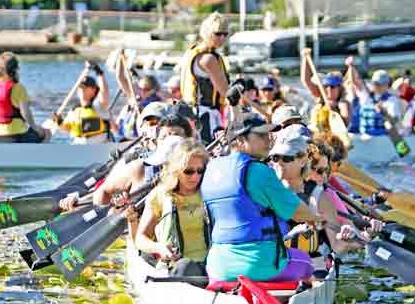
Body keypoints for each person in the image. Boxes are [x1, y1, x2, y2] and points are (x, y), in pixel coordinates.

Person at [201, 114, 319, 285]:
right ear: (240, 140)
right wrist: (316, 219)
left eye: (268, 135)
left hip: (217, 267)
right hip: (259, 265)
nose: (268, 140)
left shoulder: (211, 169)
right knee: (306, 261)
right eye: (261, 135)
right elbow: (298, 213)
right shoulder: (258, 171)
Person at [268, 134, 376, 256]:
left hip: (308, 264)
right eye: (275, 158)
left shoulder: (322, 197)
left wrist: (362, 235)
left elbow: (338, 247)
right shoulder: (263, 188)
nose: (324, 177)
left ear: (303, 162)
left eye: (287, 158)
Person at [132, 139, 209, 276]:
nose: (195, 176)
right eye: (189, 171)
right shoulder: (160, 195)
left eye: (200, 170)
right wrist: (158, 247)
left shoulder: (210, 190)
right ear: (176, 170)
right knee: (185, 267)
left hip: (210, 264)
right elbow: (140, 239)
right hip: (176, 267)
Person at [180, 12, 229, 143]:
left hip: (188, 113)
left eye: (225, 34)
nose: (222, 38)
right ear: (207, 32)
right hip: (204, 116)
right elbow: (225, 92)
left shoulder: (193, 51)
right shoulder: (209, 59)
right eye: (218, 33)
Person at [0, 52, 48, 143]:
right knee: (46, 133)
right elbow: (26, 113)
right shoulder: (18, 88)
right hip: (15, 135)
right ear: (16, 70)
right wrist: (35, 128)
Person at [54, 62, 110, 144]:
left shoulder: (99, 106)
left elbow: (104, 91)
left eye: (85, 87)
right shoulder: (74, 110)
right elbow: (67, 128)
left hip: (98, 146)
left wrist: (99, 72)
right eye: (80, 88)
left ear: (94, 90)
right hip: (78, 146)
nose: (82, 90)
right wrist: (59, 122)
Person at [353, 69, 402, 136]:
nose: (377, 86)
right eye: (375, 83)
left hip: (382, 139)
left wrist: (384, 113)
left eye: (380, 84)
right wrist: (351, 66)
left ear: (387, 85)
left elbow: (395, 122)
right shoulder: (365, 95)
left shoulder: (392, 100)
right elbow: (355, 81)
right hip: (364, 138)